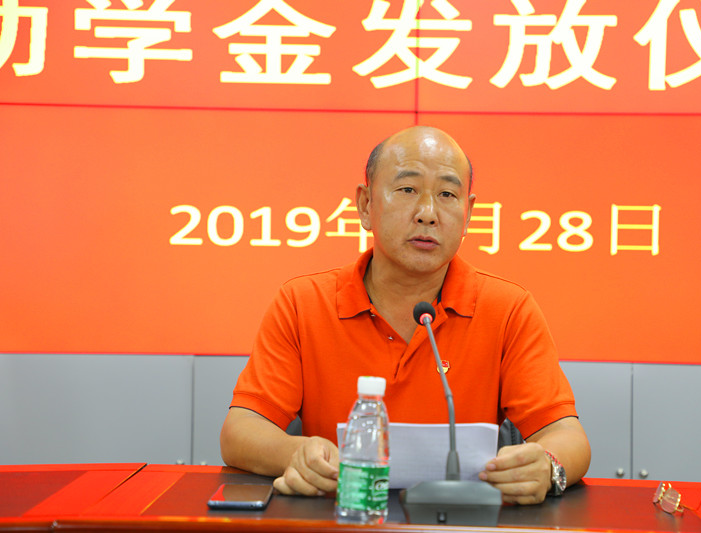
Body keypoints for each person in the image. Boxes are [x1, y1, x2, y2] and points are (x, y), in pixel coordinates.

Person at [220, 125, 590, 505]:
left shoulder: (508, 308)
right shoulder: (303, 302)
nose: (428, 214)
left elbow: (568, 436)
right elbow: (241, 430)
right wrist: (297, 454)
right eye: (408, 189)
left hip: (458, 523)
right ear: (366, 205)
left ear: (468, 214)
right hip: (342, 517)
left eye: (447, 195)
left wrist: (548, 466)